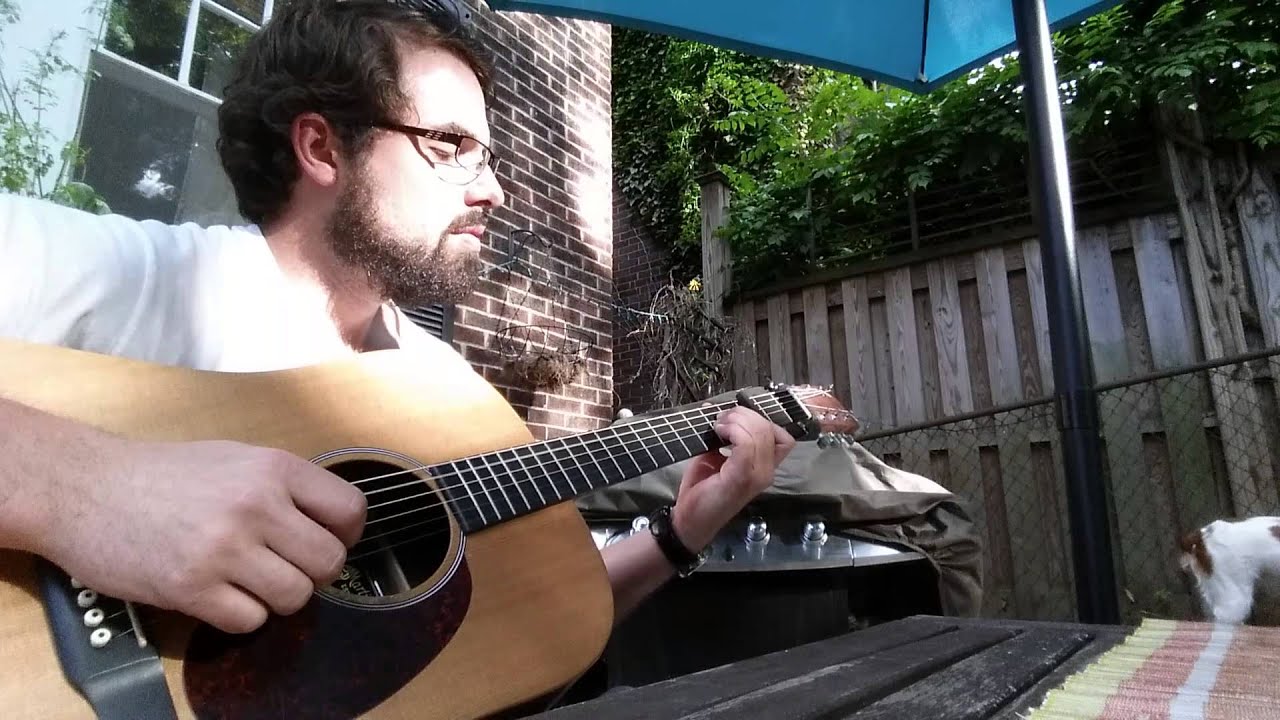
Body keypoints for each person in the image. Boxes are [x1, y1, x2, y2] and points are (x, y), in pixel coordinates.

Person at [0, 0, 795, 637]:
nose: (492, 190)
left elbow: (514, 634)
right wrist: (88, 488)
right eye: (449, 143)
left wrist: (682, 533)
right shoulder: (129, 276)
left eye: (486, 155)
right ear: (321, 147)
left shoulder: (442, 393)